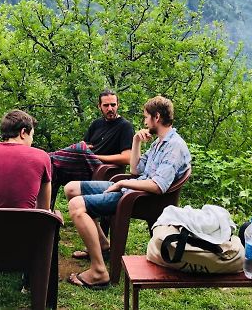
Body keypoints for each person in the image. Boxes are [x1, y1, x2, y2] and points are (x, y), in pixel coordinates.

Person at [64, 95, 191, 288]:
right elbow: (135, 170)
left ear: (156, 117)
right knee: (71, 188)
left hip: (140, 199)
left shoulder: (174, 146)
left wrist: (125, 185)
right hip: (131, 190)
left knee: (76, 206)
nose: (144, 121)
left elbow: (158, 186)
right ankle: (104, 245)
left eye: (146, 117)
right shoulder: (159, 142)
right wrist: (136, 141)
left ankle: (99, 272)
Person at [0, 109, 51, 295]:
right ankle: (30, 281)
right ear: (23, 132)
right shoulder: (41, 157)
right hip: (25, 242)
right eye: (32, 135)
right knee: (44, 219)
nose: (32, 141)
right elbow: (44, 209)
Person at [49, 89, 134, 206]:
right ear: (99, 106)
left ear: (118, 105)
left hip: (103, 169)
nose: (110, 108)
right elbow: (86, 145)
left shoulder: (125, 126)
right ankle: (48, 214)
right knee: (54, 169)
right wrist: (85, 149)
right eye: (106, 105)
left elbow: (127, 158)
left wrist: (95, 155)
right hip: (85, 166)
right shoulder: (96, 124)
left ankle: (46, 157)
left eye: (113, 105)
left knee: (80, 148)